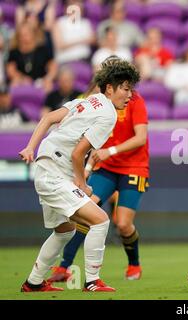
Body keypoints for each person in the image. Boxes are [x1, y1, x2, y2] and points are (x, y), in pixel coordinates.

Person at [18, 58, 140, 292]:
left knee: (65, 231)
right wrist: (82, 184)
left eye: (131, 89)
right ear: (110, 88)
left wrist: (30, 146)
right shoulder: (108, 115)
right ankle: (93, 281)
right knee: (101, 220)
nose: (129, 95)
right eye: (125, 88)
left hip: (46, 166)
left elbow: (48, 118)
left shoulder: (88, 101)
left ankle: (33, 282)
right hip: (56, 172)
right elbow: (78, 154)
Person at [48, 66, 149, 283]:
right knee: (87, 211)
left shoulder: (135, 100)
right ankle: (64, 267)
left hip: (134, 167)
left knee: (122, 224)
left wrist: (108, 151)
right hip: (107, 167)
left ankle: (134, 263)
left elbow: (141, 138)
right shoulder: (95, 102)